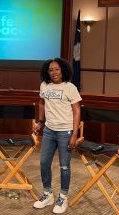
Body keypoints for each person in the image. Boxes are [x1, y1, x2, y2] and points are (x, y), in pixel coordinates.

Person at [32, 58, 81, 214]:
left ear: (63, 70)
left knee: (64, 166)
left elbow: (76, 111)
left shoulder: (70, 88)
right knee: (44, 163)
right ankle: (48, 194)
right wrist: (40, 122)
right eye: (51, 69)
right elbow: (41, 103)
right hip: (48, 131)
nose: (54, 72)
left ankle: (63, 197)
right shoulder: (44, 86)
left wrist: (74, 134)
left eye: (57, 69)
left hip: (65, 132)